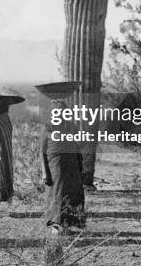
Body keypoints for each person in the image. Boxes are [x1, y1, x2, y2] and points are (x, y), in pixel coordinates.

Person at [40, 99, 85, 235]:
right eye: (57, 112)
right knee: (57, 194)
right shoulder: (47, 128)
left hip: (71, 164)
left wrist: (78, 159)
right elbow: (42, 152)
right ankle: (55, 225)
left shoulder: (70, 125)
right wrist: (44, 172)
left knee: (72, 192)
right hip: (56, 166)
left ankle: (67, 223)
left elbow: (78, 141)